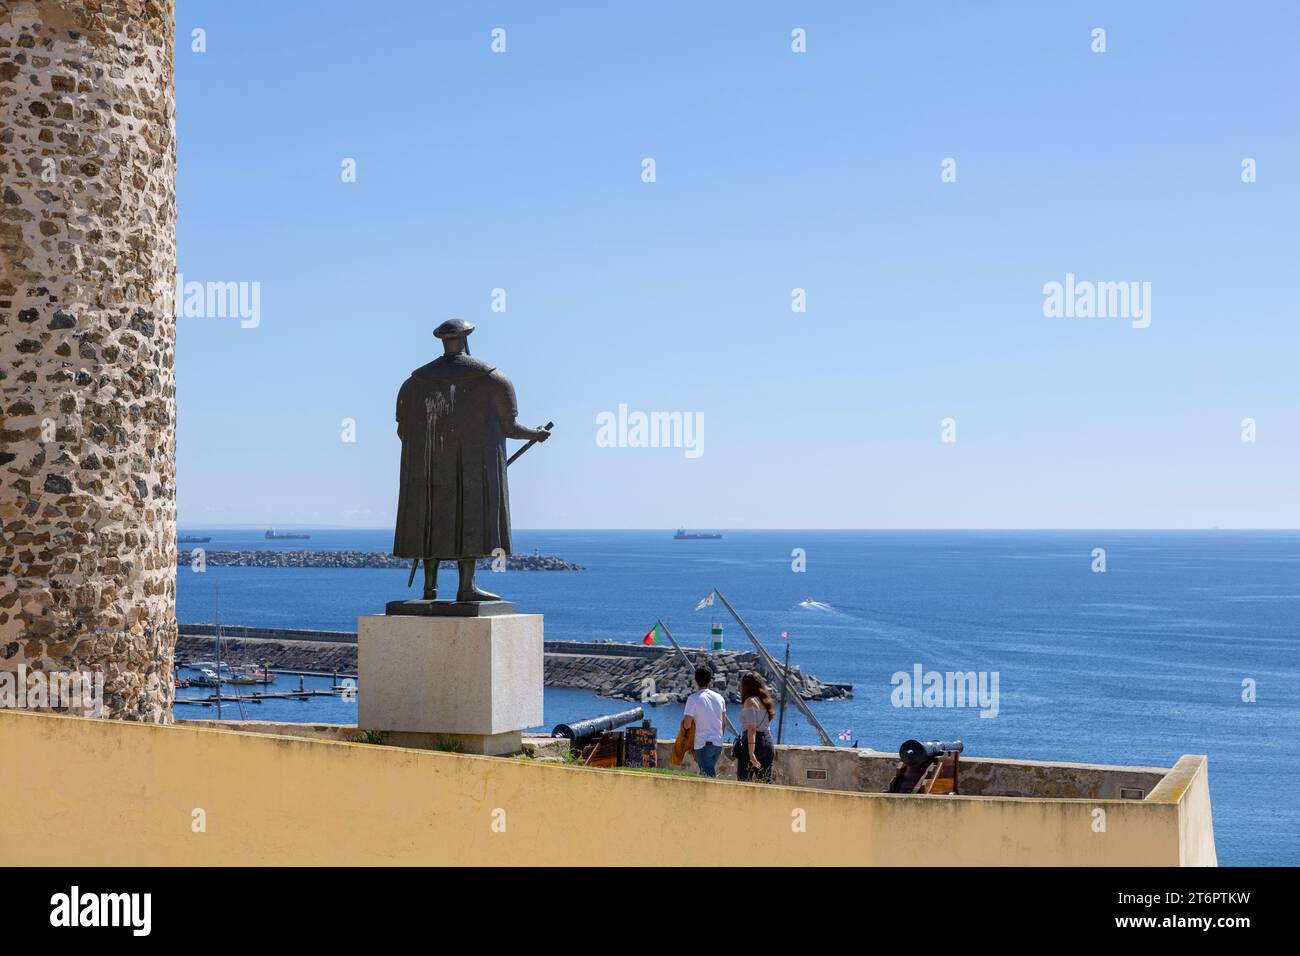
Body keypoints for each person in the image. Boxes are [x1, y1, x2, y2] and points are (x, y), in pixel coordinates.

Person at [392, 319, 551, 602]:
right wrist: (536, 434)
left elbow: (403, 433)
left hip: (428, 470)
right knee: (471, 519)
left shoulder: (413, 384)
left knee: (431, 519)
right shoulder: (493, 380)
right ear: (466, 340)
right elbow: (510, 428)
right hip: (475, 470)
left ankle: (430, 588)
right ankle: (466, 587)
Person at [681, 666, 726, 777]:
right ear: (710, 680)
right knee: (705, 774)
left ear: (695, 680)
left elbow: (686, 724)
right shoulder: (720, 698)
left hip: (703, 743)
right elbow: (723, 723)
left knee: (708, 777)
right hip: (718, 744)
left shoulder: (693, 698)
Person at [735, 672, 776, 783]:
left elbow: (752, 729)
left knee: (744, 781)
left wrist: (751, 754)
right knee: (765, 782)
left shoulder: (750, 701)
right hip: (767, 743)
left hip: (753, 744)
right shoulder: (765, 702)